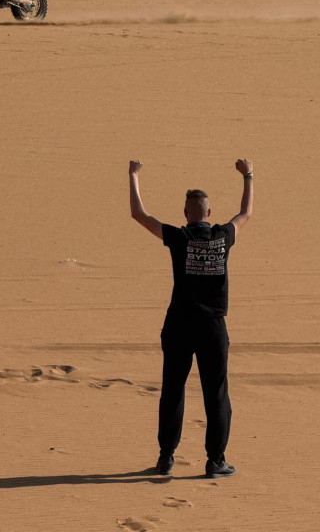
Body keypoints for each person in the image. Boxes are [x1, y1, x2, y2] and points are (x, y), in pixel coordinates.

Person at [128, 158, 254, 478]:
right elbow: (246, 214)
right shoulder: (223, 236)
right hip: (212, 328)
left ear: (186, 214)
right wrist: (248, 175)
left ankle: (166, 457)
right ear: (209, 214)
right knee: (217, 393)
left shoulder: (179, 238)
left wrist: (134, 176)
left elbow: (139, 215)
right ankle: (215, 460)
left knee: (173, 389)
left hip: (179, 326)